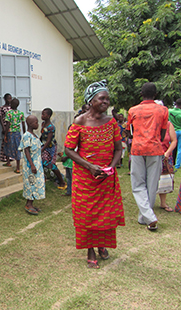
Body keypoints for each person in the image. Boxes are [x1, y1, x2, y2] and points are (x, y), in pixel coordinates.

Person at [64, 80, 125, 269]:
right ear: (91, 101)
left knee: (105, 214)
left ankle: (102, 245)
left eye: (107, 98)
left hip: (106, 178)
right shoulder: (80, 121)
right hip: (85, 178)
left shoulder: (111, 122)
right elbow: (68, 149)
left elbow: (117, 149)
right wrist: (90, 166)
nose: (106, 102)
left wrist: (111, 168)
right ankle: (90, 250)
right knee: (86, 215)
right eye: (102, 98)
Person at [126, 82, 168, 231]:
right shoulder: (163, 110)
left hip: (137, 149)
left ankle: (147, 217)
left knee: (138, 184)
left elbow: (129, 131)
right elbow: (163, 133)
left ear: (141, 94)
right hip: (155, 149)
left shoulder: (133, 110)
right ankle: (146, 217)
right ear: (155, 95)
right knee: (152, 184)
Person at [18, 115, 45, 215]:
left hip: (37, 163)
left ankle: (32, 203)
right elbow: (26, 151)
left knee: (36, 183)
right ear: (30, 124)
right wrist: (32, 165)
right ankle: (28, 204)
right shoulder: (26, 136)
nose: (37, 124)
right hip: (31, 165)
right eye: (36, 122)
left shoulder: (34, 135)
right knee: (31, 183)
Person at [155, 100, 177, 212]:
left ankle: (163, 203)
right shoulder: (149, 124)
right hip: (152, 155)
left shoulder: (168, 124)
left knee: (164, 179)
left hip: (165, 155)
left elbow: (174, 141)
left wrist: (167, 152)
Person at [40, 108, 66, 189]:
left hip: (50, 147)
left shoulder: (51, 127)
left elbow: (48, 140)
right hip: (44, 146)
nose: (42, 116)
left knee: (51, 165)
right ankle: (45, 179)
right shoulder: (43, 124)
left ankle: (62, 181)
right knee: (42, 162)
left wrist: (42, 149)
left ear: (48, 116)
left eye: (43, 114)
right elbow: (42, 136)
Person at [4, 98, 26, 173]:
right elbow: (23, 124)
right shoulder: (21, 113)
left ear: (11, 105)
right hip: (17, 133)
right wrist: (25, 133)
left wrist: (5, 135)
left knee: (7, 146)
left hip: (10, 133)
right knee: (17, 148)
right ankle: (17, 168)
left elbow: (7, 125)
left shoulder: (9, 113)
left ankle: (8, 162)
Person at [0, 93, 12, 162]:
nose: (10, 100)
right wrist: (3, 127)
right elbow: (0, 118)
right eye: (8, 98)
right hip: (6, 126)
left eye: (10, 98)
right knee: (5, 142)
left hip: (12, 127)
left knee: (11, 142)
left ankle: (11, 157)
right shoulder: (2, 108)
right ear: (5, 99)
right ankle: (4, 157)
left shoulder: (12, 108)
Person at [168, 98, 181, 169]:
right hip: (180, 131)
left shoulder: (169, 111)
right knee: (180, 149)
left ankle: (170, 162)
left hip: (172, 131)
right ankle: (177, 165)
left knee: (171, 147)